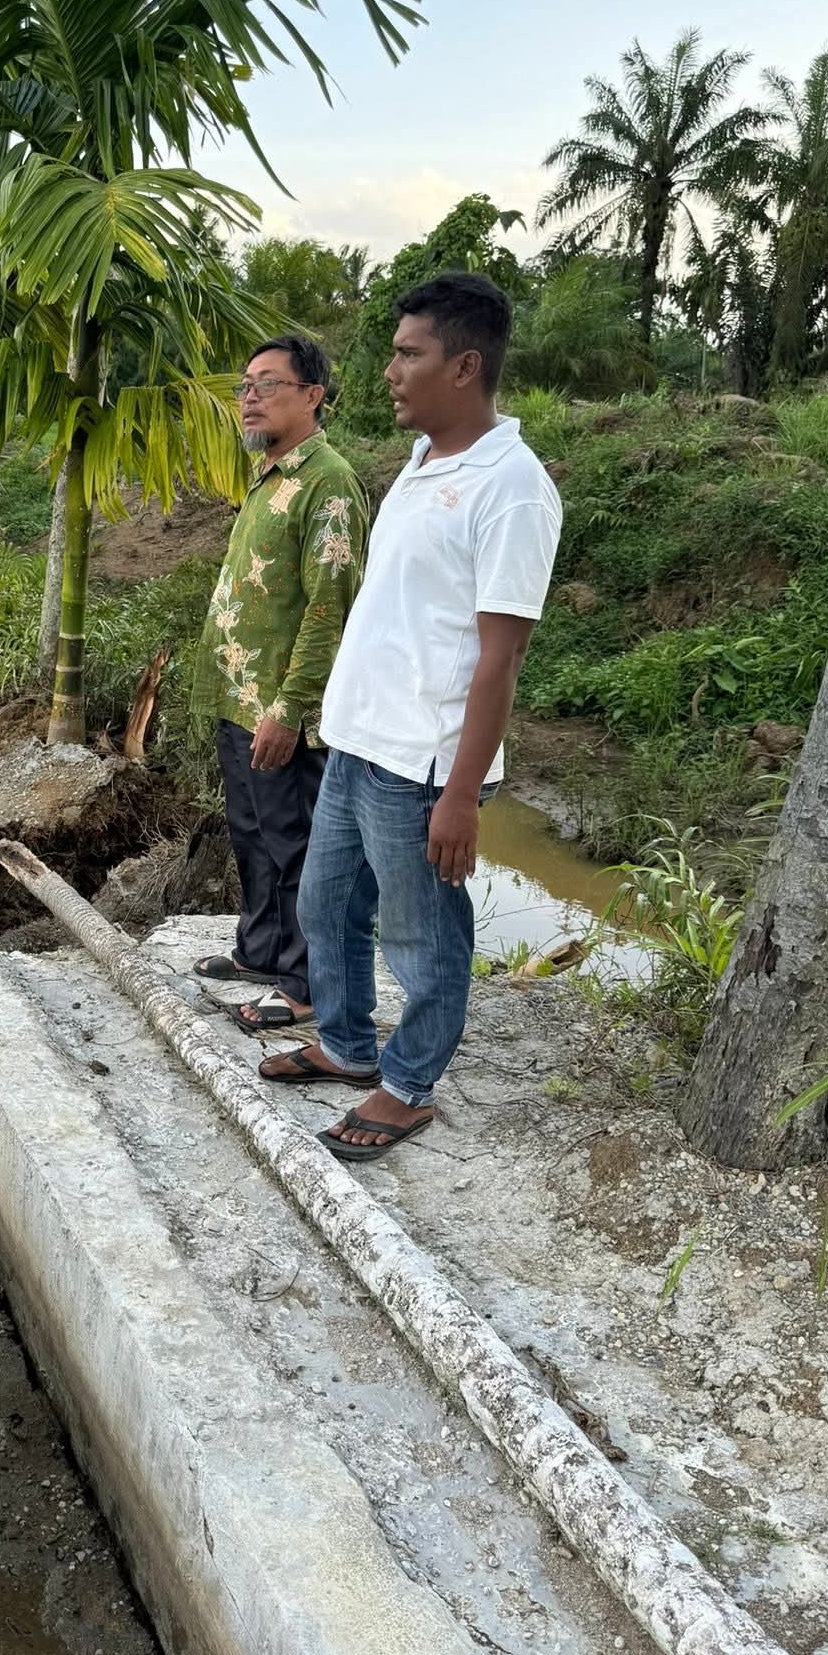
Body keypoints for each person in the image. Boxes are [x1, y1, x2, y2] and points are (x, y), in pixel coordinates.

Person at [259, 273, 562, 1156]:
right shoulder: (424, 464)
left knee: (422, 936)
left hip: (422, 761)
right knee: (325, 906)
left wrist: (462, 794)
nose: (389, 370)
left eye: (408, 353)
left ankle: (409, 1082)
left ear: (463, 366)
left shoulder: (512, 486)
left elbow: (502, 655)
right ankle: (349, 1047)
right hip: (359, 741)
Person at [189, 334, 369, 1032]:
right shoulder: (269, 476)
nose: (251, 396)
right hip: (239, 698)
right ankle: (261, 950)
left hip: (283, 710)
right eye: (246, 385)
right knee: (252, 833)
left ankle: (303, 983)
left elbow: (330, 606)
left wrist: (290, 708)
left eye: (269, 384)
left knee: (296, 843)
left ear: (313, 395)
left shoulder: (328, 482)